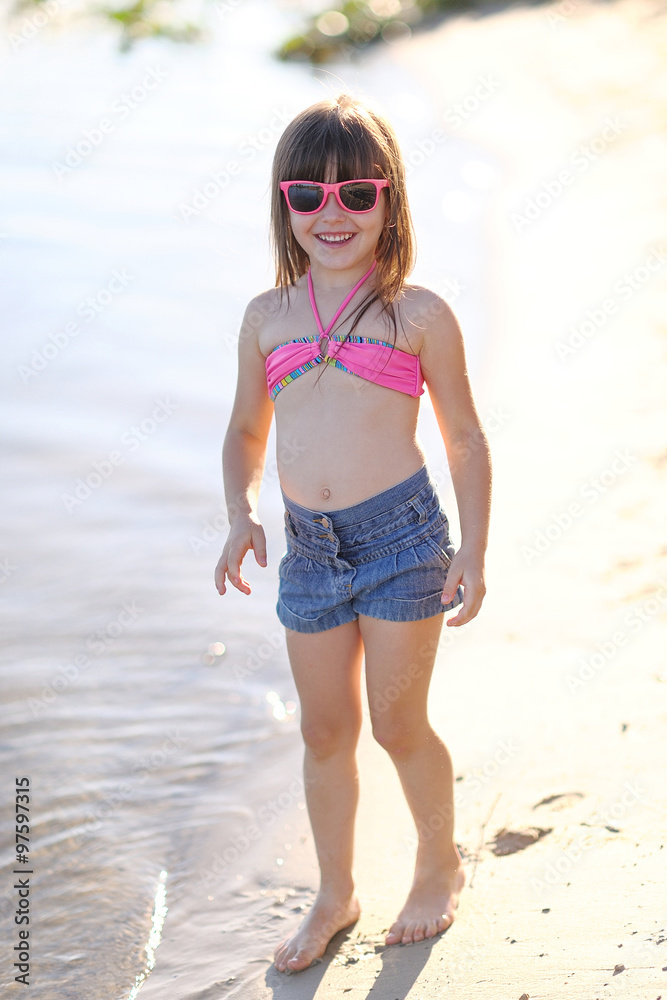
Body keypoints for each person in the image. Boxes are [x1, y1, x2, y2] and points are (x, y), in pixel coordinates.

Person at [214, 93, 492, 974]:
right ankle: (334, 892)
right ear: (282, 206)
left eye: (355, 195)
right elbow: (244, 433)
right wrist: (238, 511)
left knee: (397, 725)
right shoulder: (267, 316)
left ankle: (437, 864)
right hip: (309, 553)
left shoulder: (416, 314)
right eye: (307, 197)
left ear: (389, 200)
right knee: (324, 732)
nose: (330, 214)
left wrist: (474, 550)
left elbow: (464, 438)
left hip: (403, 540)